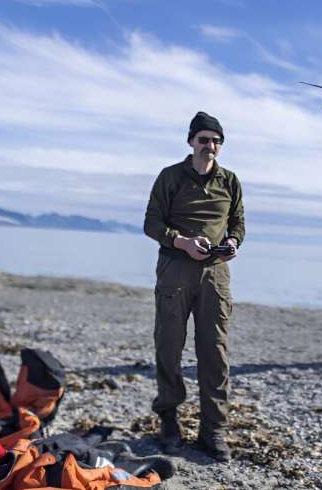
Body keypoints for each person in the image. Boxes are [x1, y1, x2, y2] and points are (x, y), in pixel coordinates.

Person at [143, 111, 245, 462]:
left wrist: (233, 242)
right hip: (175, 269)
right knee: (169, 346)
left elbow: (238, 223)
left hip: (216, 274)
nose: (210, 146)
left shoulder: (230, 180)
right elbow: (151, 223)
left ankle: (212, 429)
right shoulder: (170, 176)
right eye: (204, 140)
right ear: (191, 142)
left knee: (215, 351)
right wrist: (182, 242)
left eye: (216, 141)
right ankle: (169, 420)